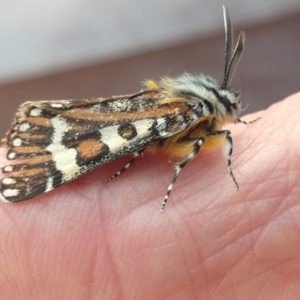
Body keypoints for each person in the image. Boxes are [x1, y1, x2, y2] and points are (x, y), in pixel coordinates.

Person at [0, 92, 299, 299]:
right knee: (112, 139)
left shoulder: (187, 108)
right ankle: (34, 144)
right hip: (96, 134)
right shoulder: (184, 113)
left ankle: (34, 129)